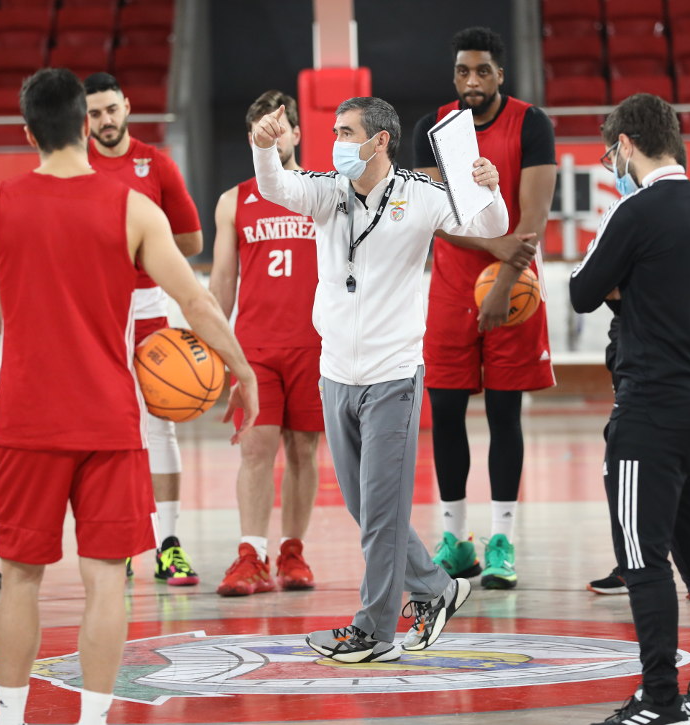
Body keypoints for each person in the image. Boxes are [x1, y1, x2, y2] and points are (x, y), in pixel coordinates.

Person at [0, 68, 257, 725]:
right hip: (108, 416)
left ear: (28, 133)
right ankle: (96, 716)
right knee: (107, 579)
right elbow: (194, 299)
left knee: (20, 577)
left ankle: (10, 716)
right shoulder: (133, 207)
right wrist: (243, 369)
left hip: (24, 418)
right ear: (84, 124)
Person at [251, 96, 531, 662]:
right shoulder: (327, 190)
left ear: (380, 141)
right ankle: (436, 588)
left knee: (380, 516)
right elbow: (277, 187)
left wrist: (491, 188)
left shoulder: (420, 195)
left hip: (393, 378)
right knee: (365, 510)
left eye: (346, 132)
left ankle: (374, 631)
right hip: (336, 377)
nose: (335, 142)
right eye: (333, 130)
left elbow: (489, 225)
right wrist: (263, 149)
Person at [569, 94, 690, 725]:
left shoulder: (634, 211)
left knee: (642, 560)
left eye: (611, 150)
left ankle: (660, 700)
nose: (611, 161)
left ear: (627, 145)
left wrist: (623, 280)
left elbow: (584, 291)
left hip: (652, 410)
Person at [412, 26, 556, 589]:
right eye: (463, 72)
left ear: (500, 74)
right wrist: (492, 251)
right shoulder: (433, 127)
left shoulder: (531, 123)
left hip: (514, 288)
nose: (472, 81)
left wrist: (505, 278)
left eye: (483, 71)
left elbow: (534, 219)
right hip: (451, 287)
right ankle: (455, 540)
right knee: (445, 414)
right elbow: (439, 215)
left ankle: (501, 541)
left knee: (504, 414)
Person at [83, 72, 203, 587]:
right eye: (94, 113)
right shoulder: (75, 165)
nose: (105, 120)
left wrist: (144, 249)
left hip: (149, 302)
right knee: (108, 429)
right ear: (82, 118)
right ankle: (125, 540)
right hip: (93, 310)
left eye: (112, 109)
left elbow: (194, 239)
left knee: (160, 423)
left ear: (127, 106)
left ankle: (168, 543)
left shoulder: (156, 164)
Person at [210, 90, 322, 596]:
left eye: (280, 127)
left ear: (296, 134)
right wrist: (216, 354)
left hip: (315, 345)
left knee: (303, 451)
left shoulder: (322, 192)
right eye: (262, 128)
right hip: (255, 348)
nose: (272, 135)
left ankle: (292, 552)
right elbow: (220, 285)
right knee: (255, 450)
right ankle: (250, 554)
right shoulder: (233, 200)